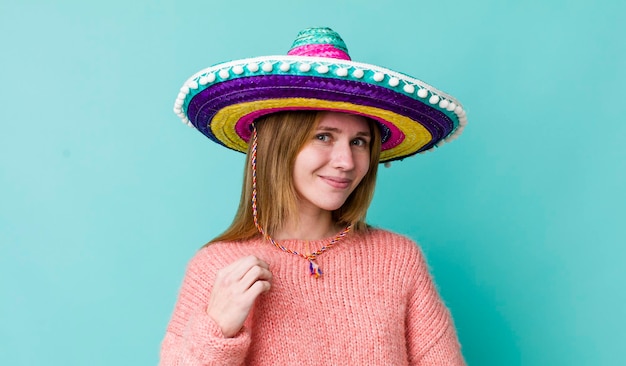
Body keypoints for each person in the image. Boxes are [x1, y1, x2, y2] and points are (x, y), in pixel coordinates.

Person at [162, 27, 468, 365]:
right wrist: (217, 330)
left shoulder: (398, 260)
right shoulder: (217, 268)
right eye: (324, 136)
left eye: (359, 142)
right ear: (278, 145)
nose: (346, 162)